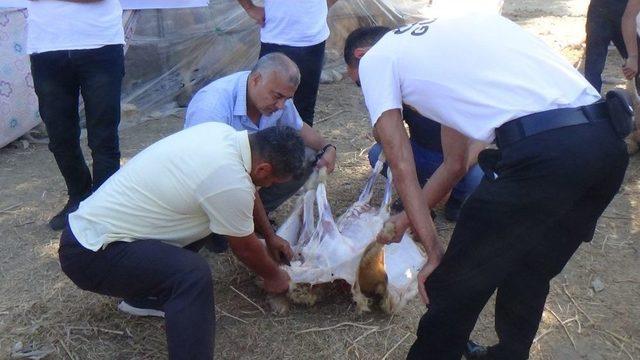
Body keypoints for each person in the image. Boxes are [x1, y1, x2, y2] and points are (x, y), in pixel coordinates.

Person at [344, 14, 628, 359]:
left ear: (360, 55)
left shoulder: (377, 58)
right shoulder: (447, 43)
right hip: (605, 145)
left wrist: (435, 253)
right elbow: (456, 163)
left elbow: (400, 162)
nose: (369, 96)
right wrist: (406, 220)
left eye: (360, 86)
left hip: (546, 154)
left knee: (451, 286)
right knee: (530, 270)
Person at [59, 123, 305, 360]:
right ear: (262, 169)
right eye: (272, 182)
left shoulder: (222, 134)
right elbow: (245, 248)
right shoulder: (228, 179)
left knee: (207, 221)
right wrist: (275, 276)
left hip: (93, 235)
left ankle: (143, 298)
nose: (269, 186)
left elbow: (247, 193)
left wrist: (270, 236)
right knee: (192, 275)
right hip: (90, 254)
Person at [185, 52, 336, 219]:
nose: (281, 105)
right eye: (277, 96)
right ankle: (222, 222)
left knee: (307, 155)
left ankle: (257, 214)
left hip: (247, 172)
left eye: (286, 99)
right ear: (255, 80)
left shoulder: (278, 94)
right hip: (213, 179)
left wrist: (327, 147)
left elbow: (299, 128)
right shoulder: (212, 107)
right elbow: (205, 168)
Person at [28, 0, 125, 231]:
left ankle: (104, 208)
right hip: (47, 48)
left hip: (101, 44)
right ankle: (79, 196)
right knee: (60, 137)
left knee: (104, 137)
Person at [367, 105, 484, 221]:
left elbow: (480, 143)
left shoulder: (465, 95)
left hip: (458, 157)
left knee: (479, 174)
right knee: (376, 153)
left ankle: (456, 199)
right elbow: (382, 134)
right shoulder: (409, 91)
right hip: (419, 153)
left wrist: (452, 175)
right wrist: (385, 116)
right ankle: (413, 193)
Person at [236, 0, 338, 126]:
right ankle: (261, 143)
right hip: (276, 35)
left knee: (304, 107)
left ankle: (298, 145)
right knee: (263, 101)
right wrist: (249, 7)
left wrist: (322, 5)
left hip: (312, 37)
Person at [584, 0, 640, 92]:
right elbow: (628, 18)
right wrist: (633, 57)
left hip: (624, 11)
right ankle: (591, 102)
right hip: (600, 12)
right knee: (593, 68)